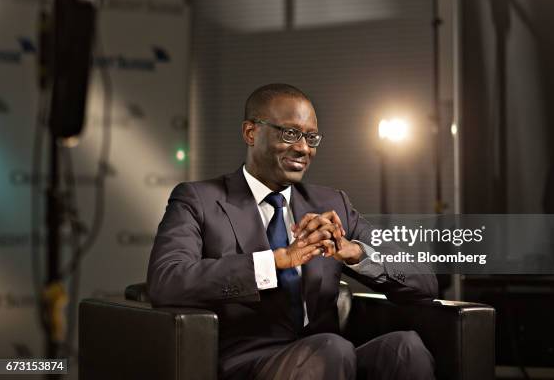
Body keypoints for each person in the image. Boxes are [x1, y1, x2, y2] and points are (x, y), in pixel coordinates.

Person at [147, 83, 438, 379]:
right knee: (332, 349)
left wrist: (353, 252)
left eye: (311, 137)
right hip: (250, 363)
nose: (303, 148)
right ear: (251, 133)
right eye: (289, 134)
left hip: (332, 356)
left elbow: (424, 281)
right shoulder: (199, 199)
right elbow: (167, 281)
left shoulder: (331, 203)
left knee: (406, 347)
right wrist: (275, 261)